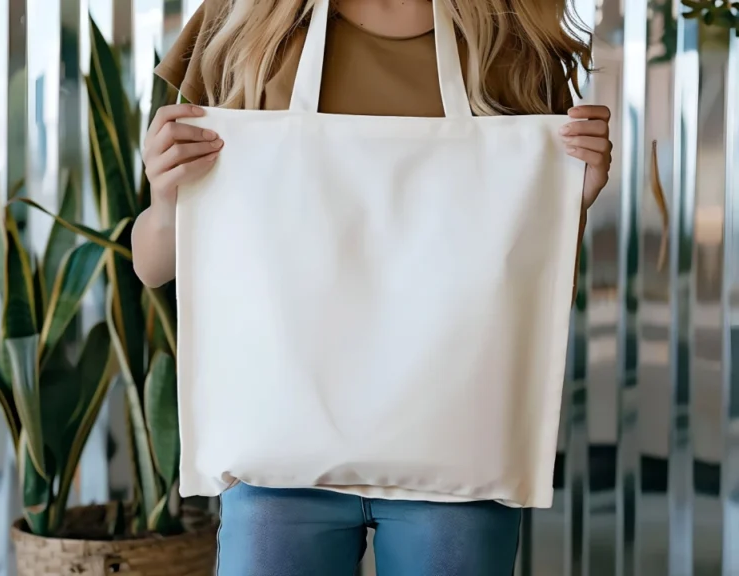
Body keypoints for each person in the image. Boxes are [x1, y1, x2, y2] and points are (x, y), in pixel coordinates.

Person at [132, 0, 612, 573]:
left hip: (454, 459)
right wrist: (166, 202)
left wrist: (569, 204)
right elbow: (154, 266)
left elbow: (535, 296)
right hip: (280, 464)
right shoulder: (246, 23)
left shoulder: (513, 37)